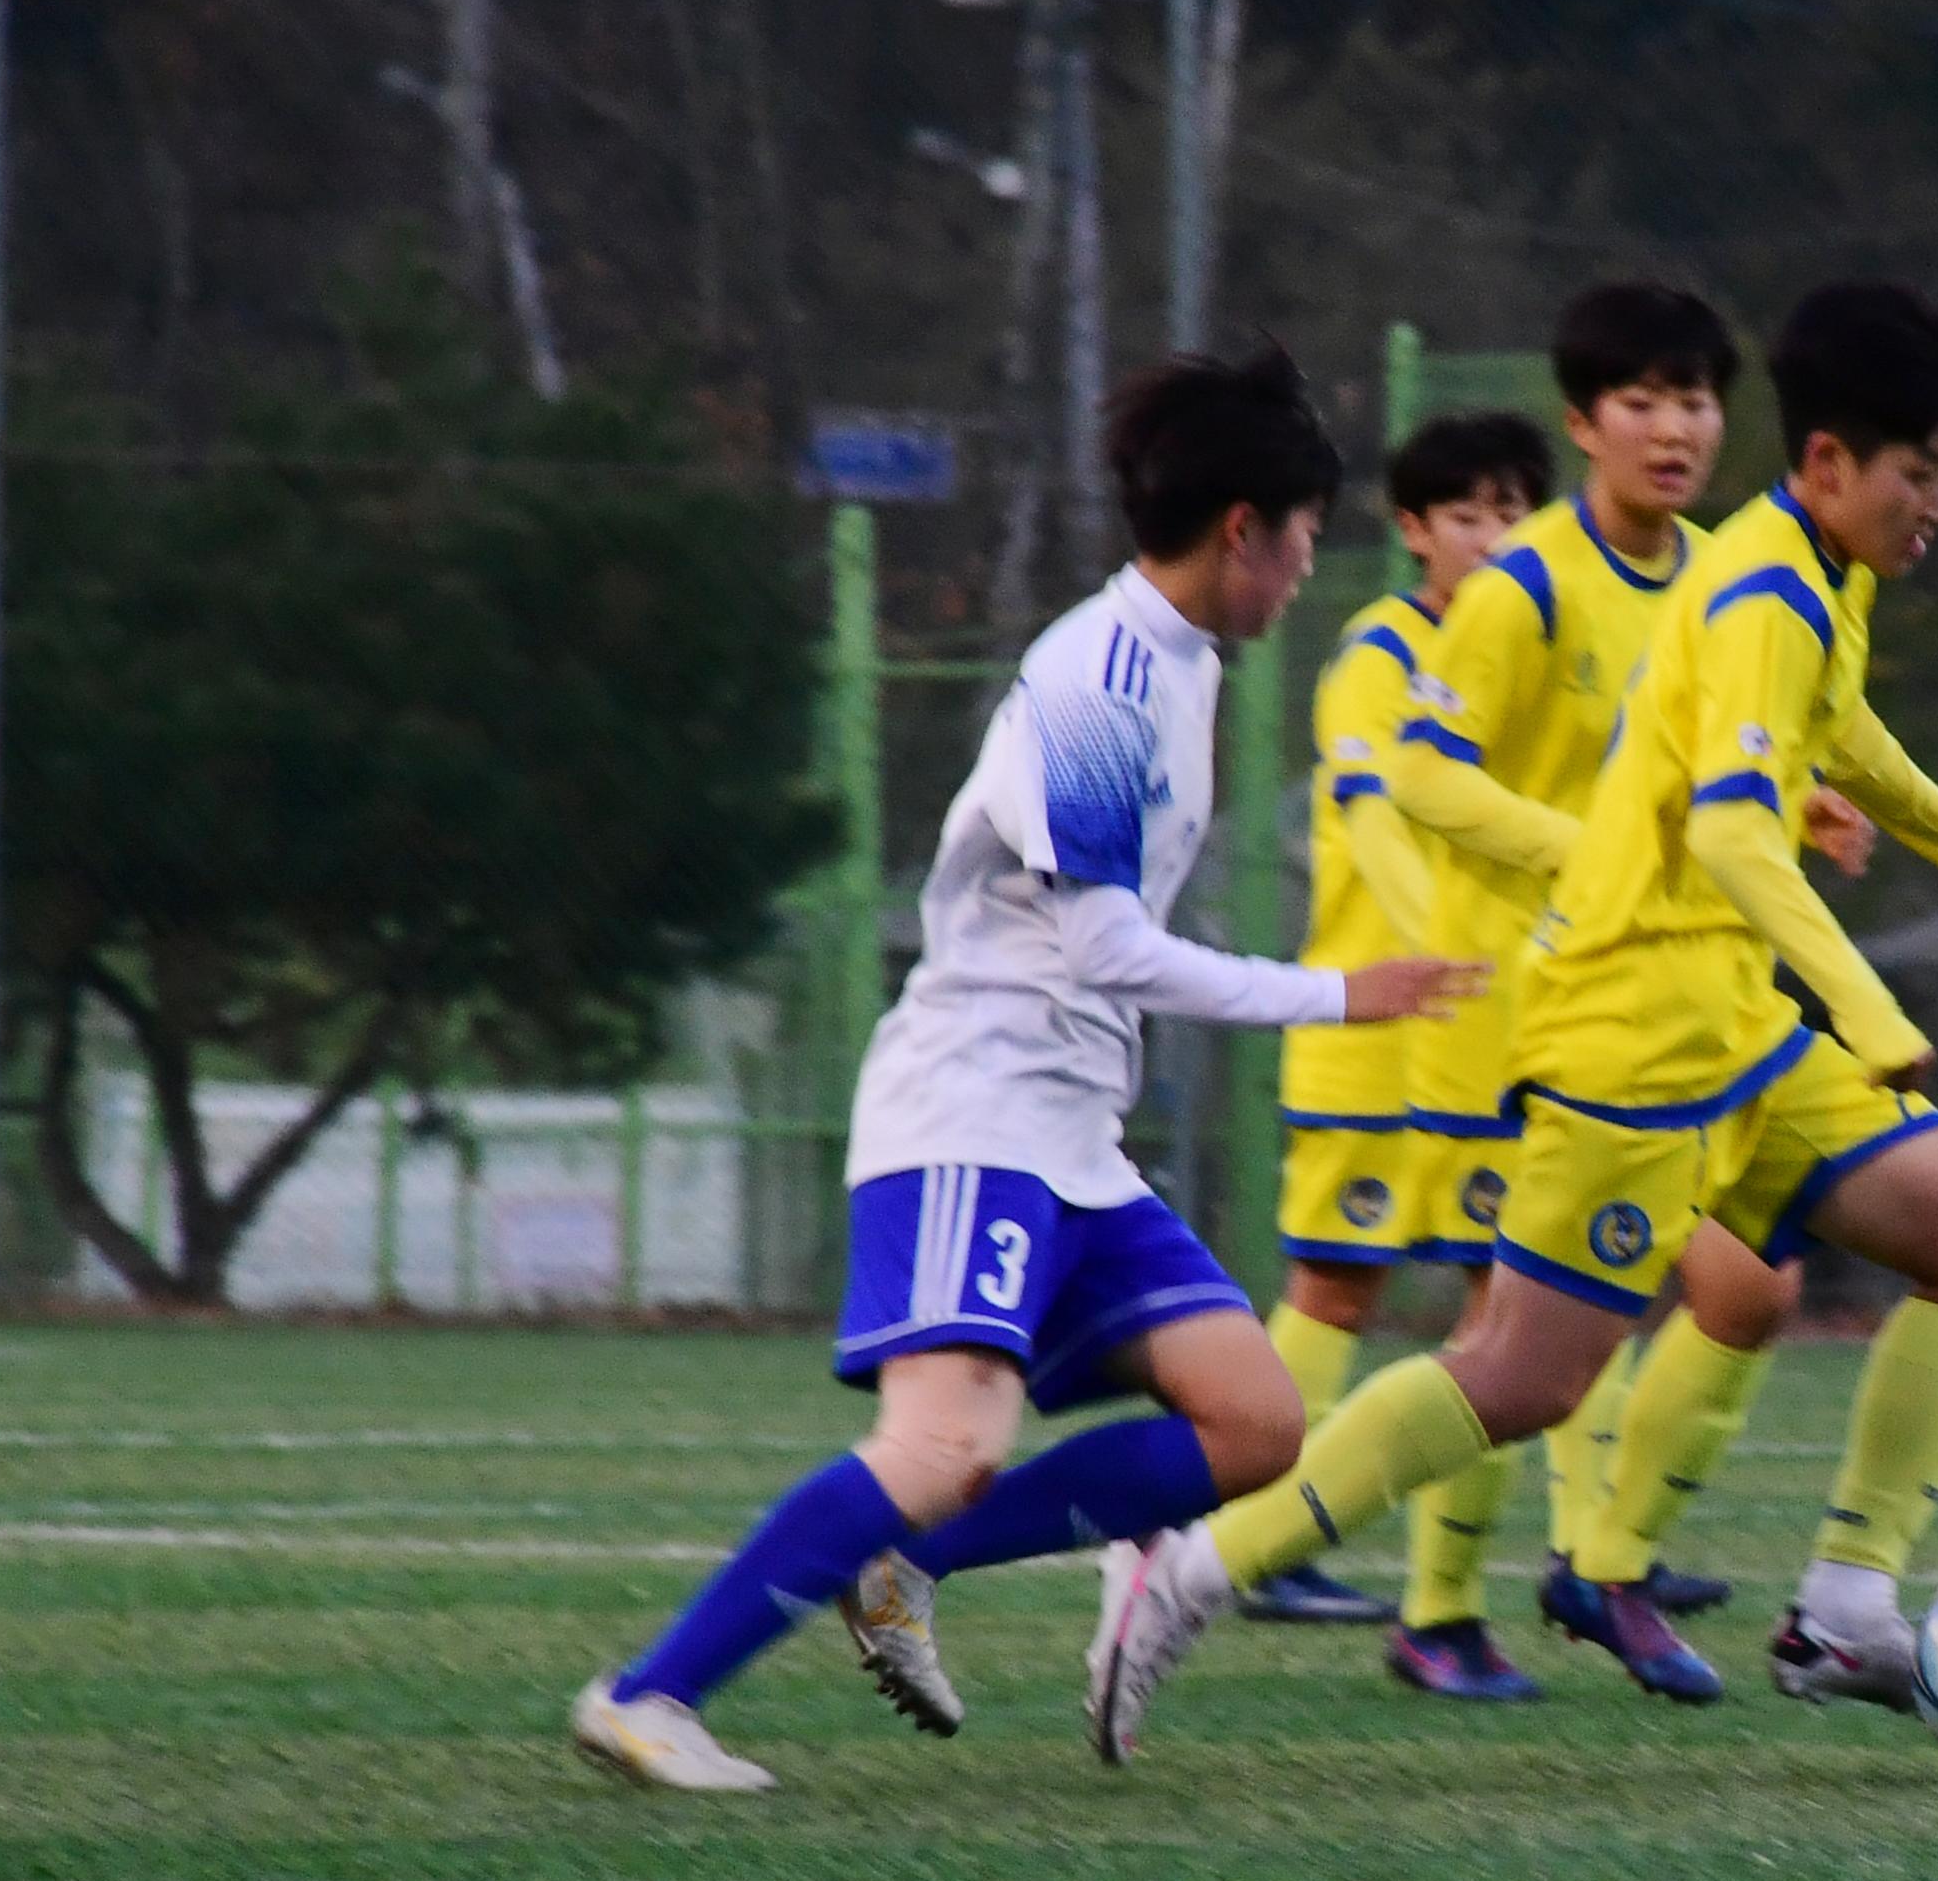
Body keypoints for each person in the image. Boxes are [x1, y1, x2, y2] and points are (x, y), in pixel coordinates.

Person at [1076, 282, 1938, 1764]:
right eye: (1919, 473)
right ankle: (1197, 1567)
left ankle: (1850, 1604)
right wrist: (1867, 1007)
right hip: (1628, 1040)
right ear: (1826, 466)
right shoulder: (1753, 594)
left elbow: (1842, 735)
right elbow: (1737, 838)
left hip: (1730, 1022)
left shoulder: (1814, 576)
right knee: (1520, 1378)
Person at [570, 347, 1478, 1789]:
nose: (1312, 569)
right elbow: (1111, 947)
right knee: (947, 1442)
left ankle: (897, 1570)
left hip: (1066, 1133)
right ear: (1244, 525)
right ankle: (651, 1691)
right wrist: (1338, 994)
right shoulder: (1098, 682)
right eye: (1307, 536)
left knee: (1253, 1419)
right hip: (971, 1112)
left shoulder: (1175, 669)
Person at [1327, 282, 1861, 1705]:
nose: (1679, 426)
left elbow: (1714, 767)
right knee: (1509, 1336)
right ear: (1590, 425)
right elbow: (1419, 776)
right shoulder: (1522, 591)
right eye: (1646, 400)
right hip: (1522, 1009)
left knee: (1738, 1291)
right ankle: (1429, 1602)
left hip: (1672, 1012)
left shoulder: (1717, 576)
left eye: (1697, 399)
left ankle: (1603, 1556)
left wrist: (1802, 809)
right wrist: (1596, 855)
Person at [1234, 408, 1555, 1632]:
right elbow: (1374, 810)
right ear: (1413, 530)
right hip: (1375, 1024)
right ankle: (1256, 1532)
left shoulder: (1522, 657)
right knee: (1338, 1286)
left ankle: (1464, 1588)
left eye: (1513, 510)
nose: (1490, 535)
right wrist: (1443, 945)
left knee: (1502, 1302)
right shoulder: (1379, 653)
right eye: (1464, 513)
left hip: (1489, 1035)